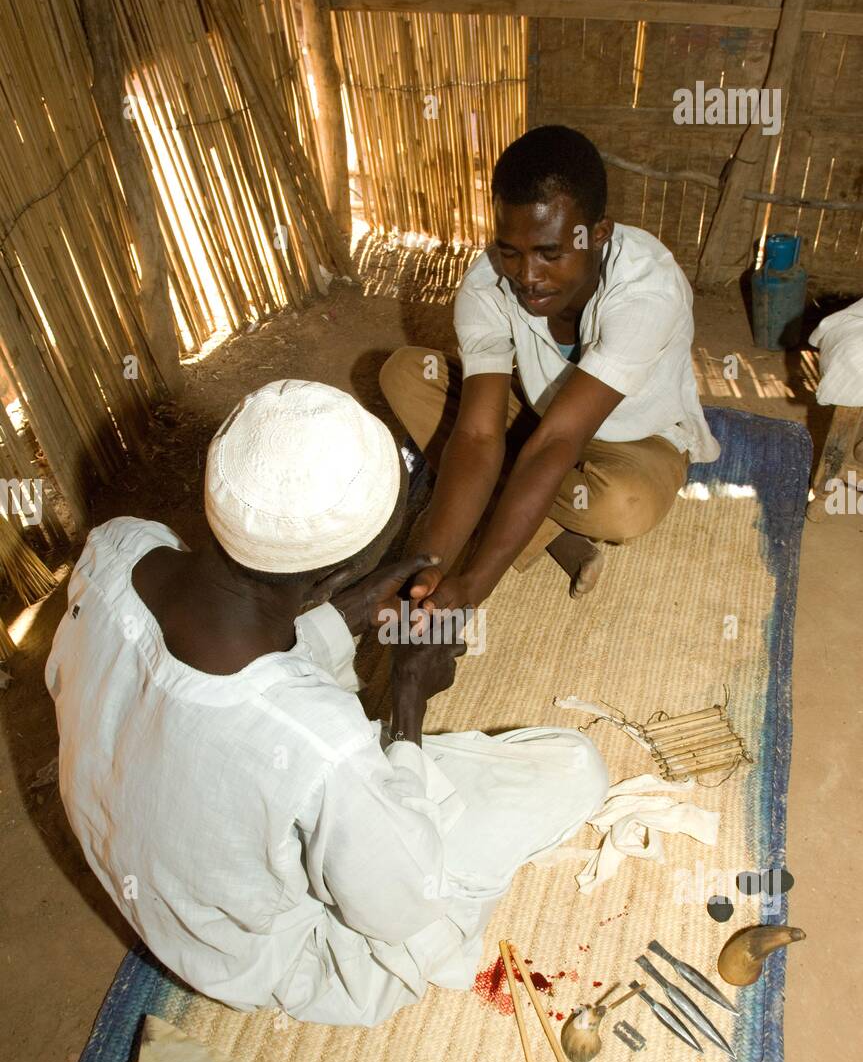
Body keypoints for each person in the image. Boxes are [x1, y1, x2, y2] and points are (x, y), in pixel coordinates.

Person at [46, 380, 608, 1027]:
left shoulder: (118, 546)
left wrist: (350, 611)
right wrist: (407, 704)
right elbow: (398, 905)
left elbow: (200, 698)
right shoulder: (321, 743)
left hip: (149, 864)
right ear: (331, 574)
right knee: (572, 767)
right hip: (266, 953)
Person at [379, 125, 720, 607]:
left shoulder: (648, 291)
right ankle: (546, 526)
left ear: (598, 233)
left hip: (637, 437)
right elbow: (477, 436)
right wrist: (422, 574)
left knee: (622, 507)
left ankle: (531, 516)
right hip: (540, 422)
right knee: (405, 374)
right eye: (510, 251)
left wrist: (473, 586)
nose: (526, 277)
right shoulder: (488, 282)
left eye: (550, 254)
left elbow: (559, 441)